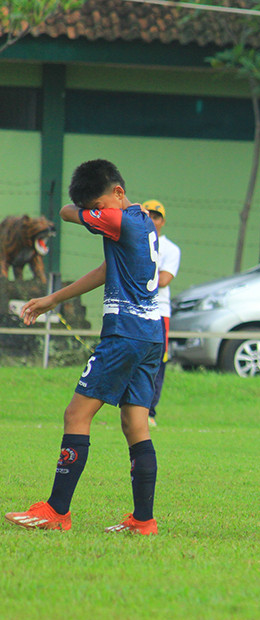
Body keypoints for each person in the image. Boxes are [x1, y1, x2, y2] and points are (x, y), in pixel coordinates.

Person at [5, 159, 162, 536]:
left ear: (119, 193)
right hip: (150, 335)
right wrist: (53, 299)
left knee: (76, 414)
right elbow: (108, 270)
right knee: (135, 424)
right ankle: (144, 521)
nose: (99, 214)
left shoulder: (119, 220)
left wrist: (89, 209)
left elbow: (64, 212)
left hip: (124, 334)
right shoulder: (141, 221)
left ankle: (57, 511)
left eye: (100, 205)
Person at [142, 199, 181, 428]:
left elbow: (164, 280)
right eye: (147, 215)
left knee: (157, 360)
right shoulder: (132, 242)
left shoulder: (170, 249)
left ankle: (150, 411)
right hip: (135, 308)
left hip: (159, 311)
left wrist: (137, 277)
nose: (152, 220)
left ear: (162, 221)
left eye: (156, 217)